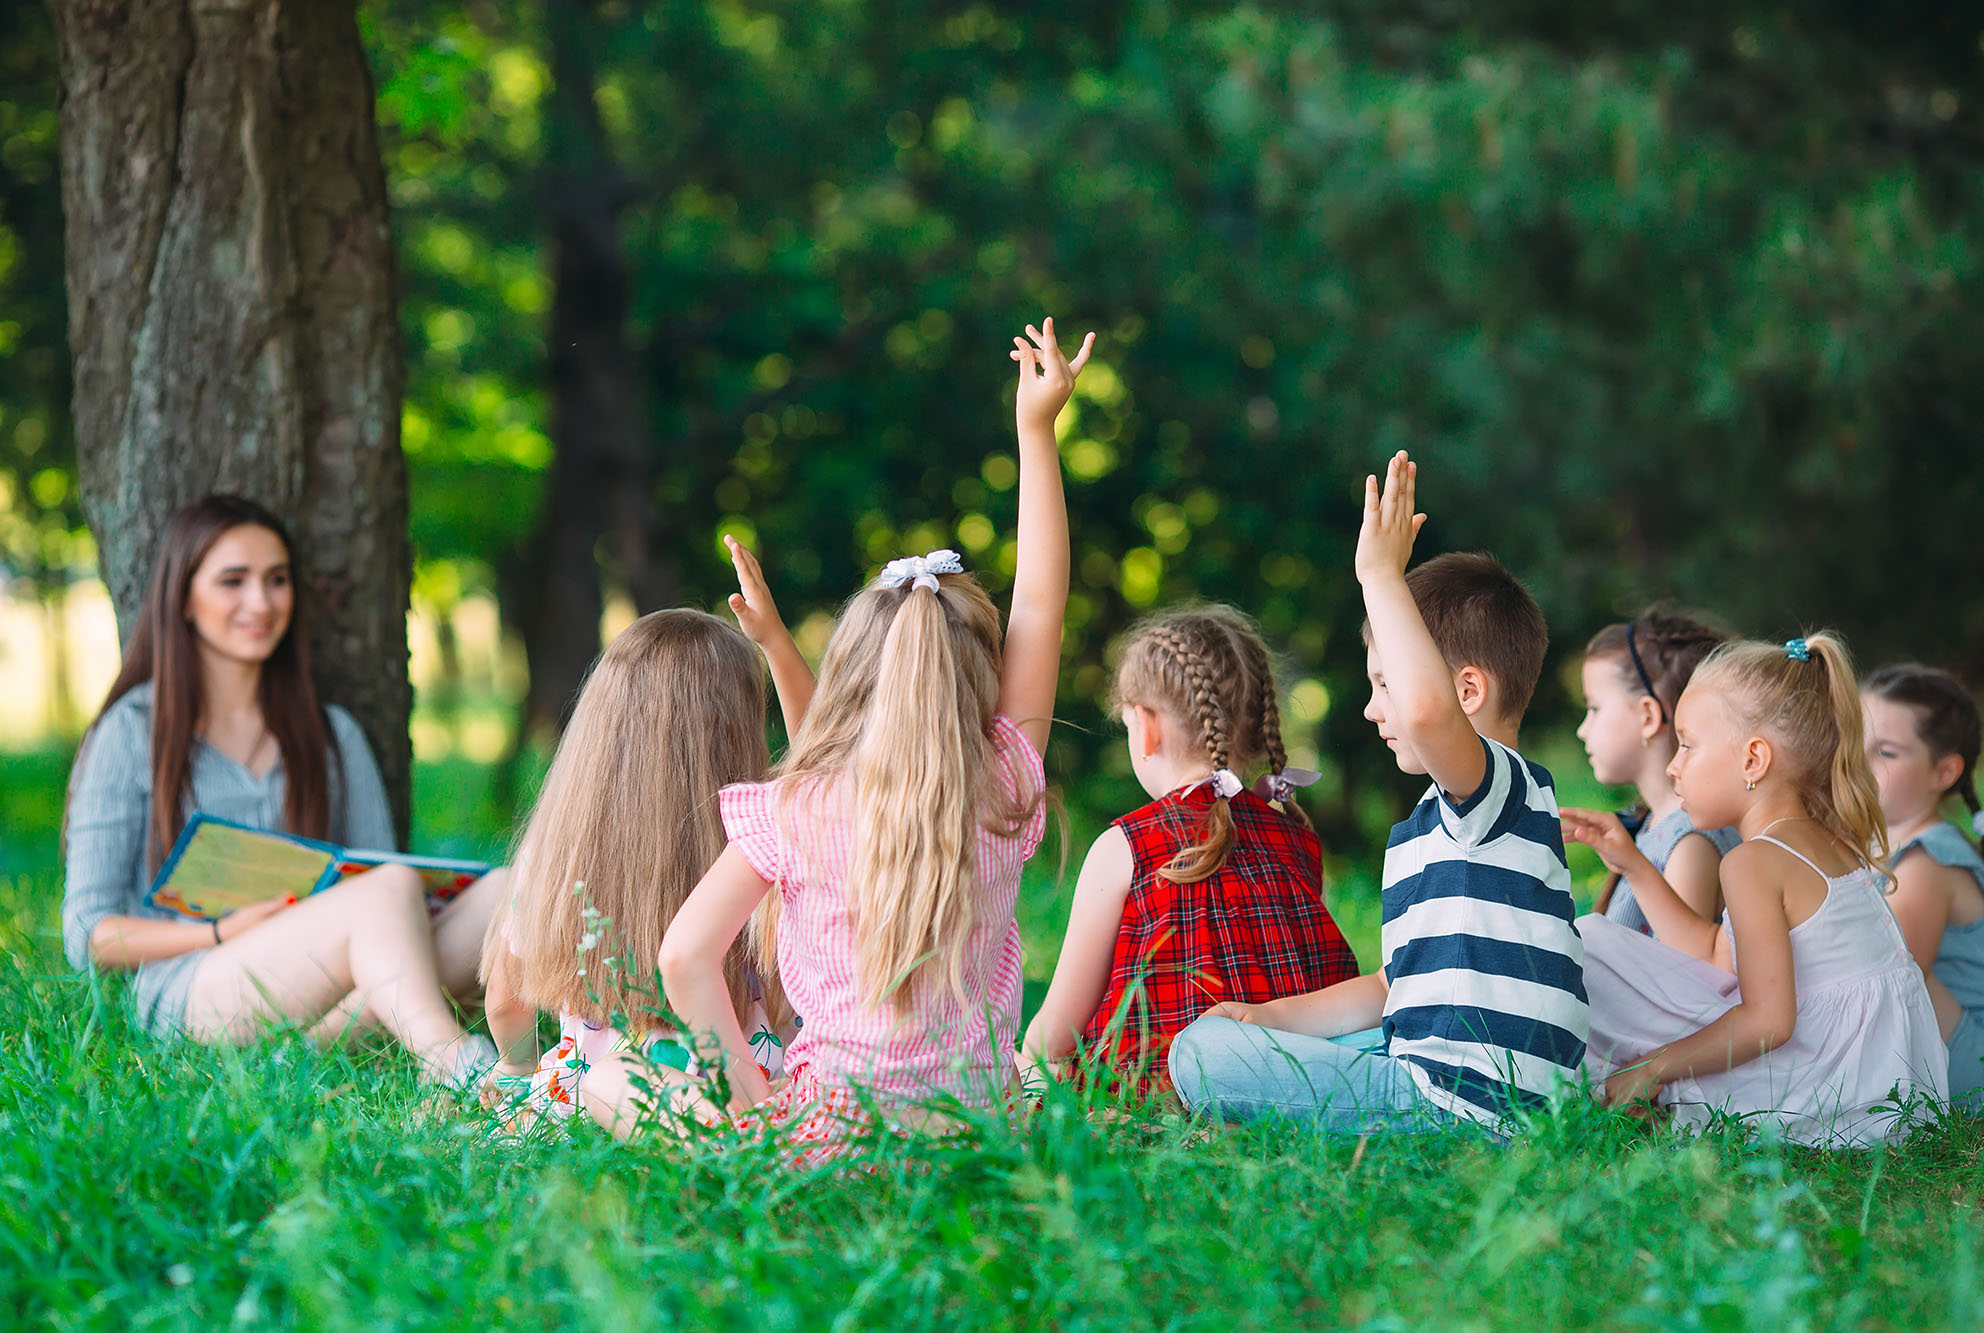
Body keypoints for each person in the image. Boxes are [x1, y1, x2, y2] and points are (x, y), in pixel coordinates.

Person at [624, 317, 1088, 1164]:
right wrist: (1036, 432)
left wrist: (751, 1100)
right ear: (975, 677)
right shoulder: (1004, 780)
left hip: (829, 1140)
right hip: (977, 1134)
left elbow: (685, 954)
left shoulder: (795, 810)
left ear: (848, 675)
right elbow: (1043, 607)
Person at [1169, 451, 1589, 1134]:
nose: (1372, 709)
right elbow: (1397, 989)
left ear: (1467, 692)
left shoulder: (1494, 790)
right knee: (1270, 1039)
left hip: (1464, 1103)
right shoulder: (1438, 823)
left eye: (1384, 682)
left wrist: (1378, 574)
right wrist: (1267, 1016)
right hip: (1453, 1081)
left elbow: (1427, 714)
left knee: (1198, 1053)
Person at [61, 494, 502, 1082]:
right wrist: (220, 931)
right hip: (197, 982)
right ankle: (459, 1064)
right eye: (232, 581)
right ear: (184, 599)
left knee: (506, 891)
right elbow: (87, 934)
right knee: (386, 891)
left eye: (276, 580)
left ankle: (305, 1055)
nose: (260, 603)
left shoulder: (332, 734)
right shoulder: (130, 733)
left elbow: (381, 880)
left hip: (335, 966)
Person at [1566, 635, 1948, 1146]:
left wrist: (1653, 1070)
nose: (1674, 765)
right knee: (1599, 945)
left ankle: (1550, 1091)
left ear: (1753, 760)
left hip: (1827, 1092)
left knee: (1588, 947)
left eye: (1687, 744)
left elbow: (1768, 1023)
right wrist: (1634, 866)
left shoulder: (1753, 862)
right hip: (1888, 1092)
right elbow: (1720, 959)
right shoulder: (1825, 838)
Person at [1016, 605, 1357, 1093]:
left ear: (1147, 726)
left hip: (1151, 1095)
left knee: (1019, 1064)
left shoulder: (1124, 846)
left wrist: (1024, 1062)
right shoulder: (1298, 838)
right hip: (1292, 1091)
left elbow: (1058, 1035)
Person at [478, 609, 793, 1129]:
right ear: (740, 729)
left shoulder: (558, 849)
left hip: (586, 1092)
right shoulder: (761, 837)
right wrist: (778, 646)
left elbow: (508, 994)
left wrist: (516, 1064)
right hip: (746, 1089)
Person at [1864, 663, 1984, 1109]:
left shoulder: (1927, 860)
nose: (1858, 762)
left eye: (1885, 752)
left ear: (1943, 772)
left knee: (1883, 958)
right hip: (1946, 1038)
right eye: (1854, 741)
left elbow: (1884, 985)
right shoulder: (1876, 842)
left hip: (1981, 1067)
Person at [1574, 610, 1738, 930]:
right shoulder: (1655, 825)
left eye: (1594, 708)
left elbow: (1678, 974)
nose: (1583, 729)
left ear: (1648, 716)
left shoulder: (1691, 842)